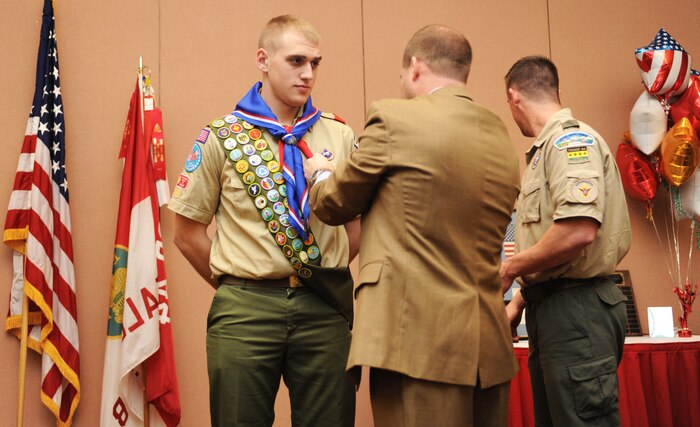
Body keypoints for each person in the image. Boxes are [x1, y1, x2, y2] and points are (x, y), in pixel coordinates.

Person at [305, 24, 520, 427]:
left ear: (416, 67)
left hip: (417, 341)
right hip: (488, 346)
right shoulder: (499, 134)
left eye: (403, 75)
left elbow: (335, 204)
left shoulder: (394, 119)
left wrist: (319, 174)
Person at [168, 15, 359, 427]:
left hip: (323, 306)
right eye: (295, 61)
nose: (308, 74)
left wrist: (319, 267)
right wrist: (238, 284)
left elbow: (356, 228)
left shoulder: (340, 136)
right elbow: (186, 234)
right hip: (245, 309)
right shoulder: (222, 136)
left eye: (315, 63)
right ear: (263, 59)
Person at [501, 56, 632, 426]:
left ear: (514, 97)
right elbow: (554, 253)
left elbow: (578, 231)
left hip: (578, 312)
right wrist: (522, 301)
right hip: (555, 308)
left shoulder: (570, 142)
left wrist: (510, 269)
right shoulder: (545, 152)